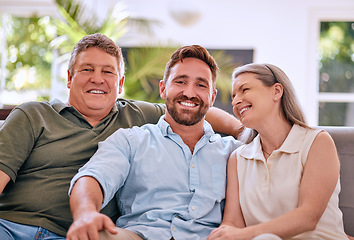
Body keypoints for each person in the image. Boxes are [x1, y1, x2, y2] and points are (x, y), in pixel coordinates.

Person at [0, 34, 242, 239]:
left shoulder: (136, 114)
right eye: (87, 69)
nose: (97, 78)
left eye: (108, 71)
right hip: (11, 225)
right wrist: (86, 213)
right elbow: (91, 177)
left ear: (120, 83)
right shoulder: (35, 114)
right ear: (70, 78)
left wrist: (244, 132)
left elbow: (192, 108)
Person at [66, 45, 242, 240]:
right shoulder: (131, 141)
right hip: (141, 235)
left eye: (201, 85)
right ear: (163, 89)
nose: (189, 93)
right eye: (180, 81)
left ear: (212, 96)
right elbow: (93, 177)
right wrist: (86, 213)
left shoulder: (234, 152)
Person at [208, 63, 348, 240]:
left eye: (245, 90)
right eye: (234, 95)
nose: (235, 101)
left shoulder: (316, 142)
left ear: (276, 91)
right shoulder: (238, 158)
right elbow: (233, 224)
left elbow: (308, 217)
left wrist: (243, 235)